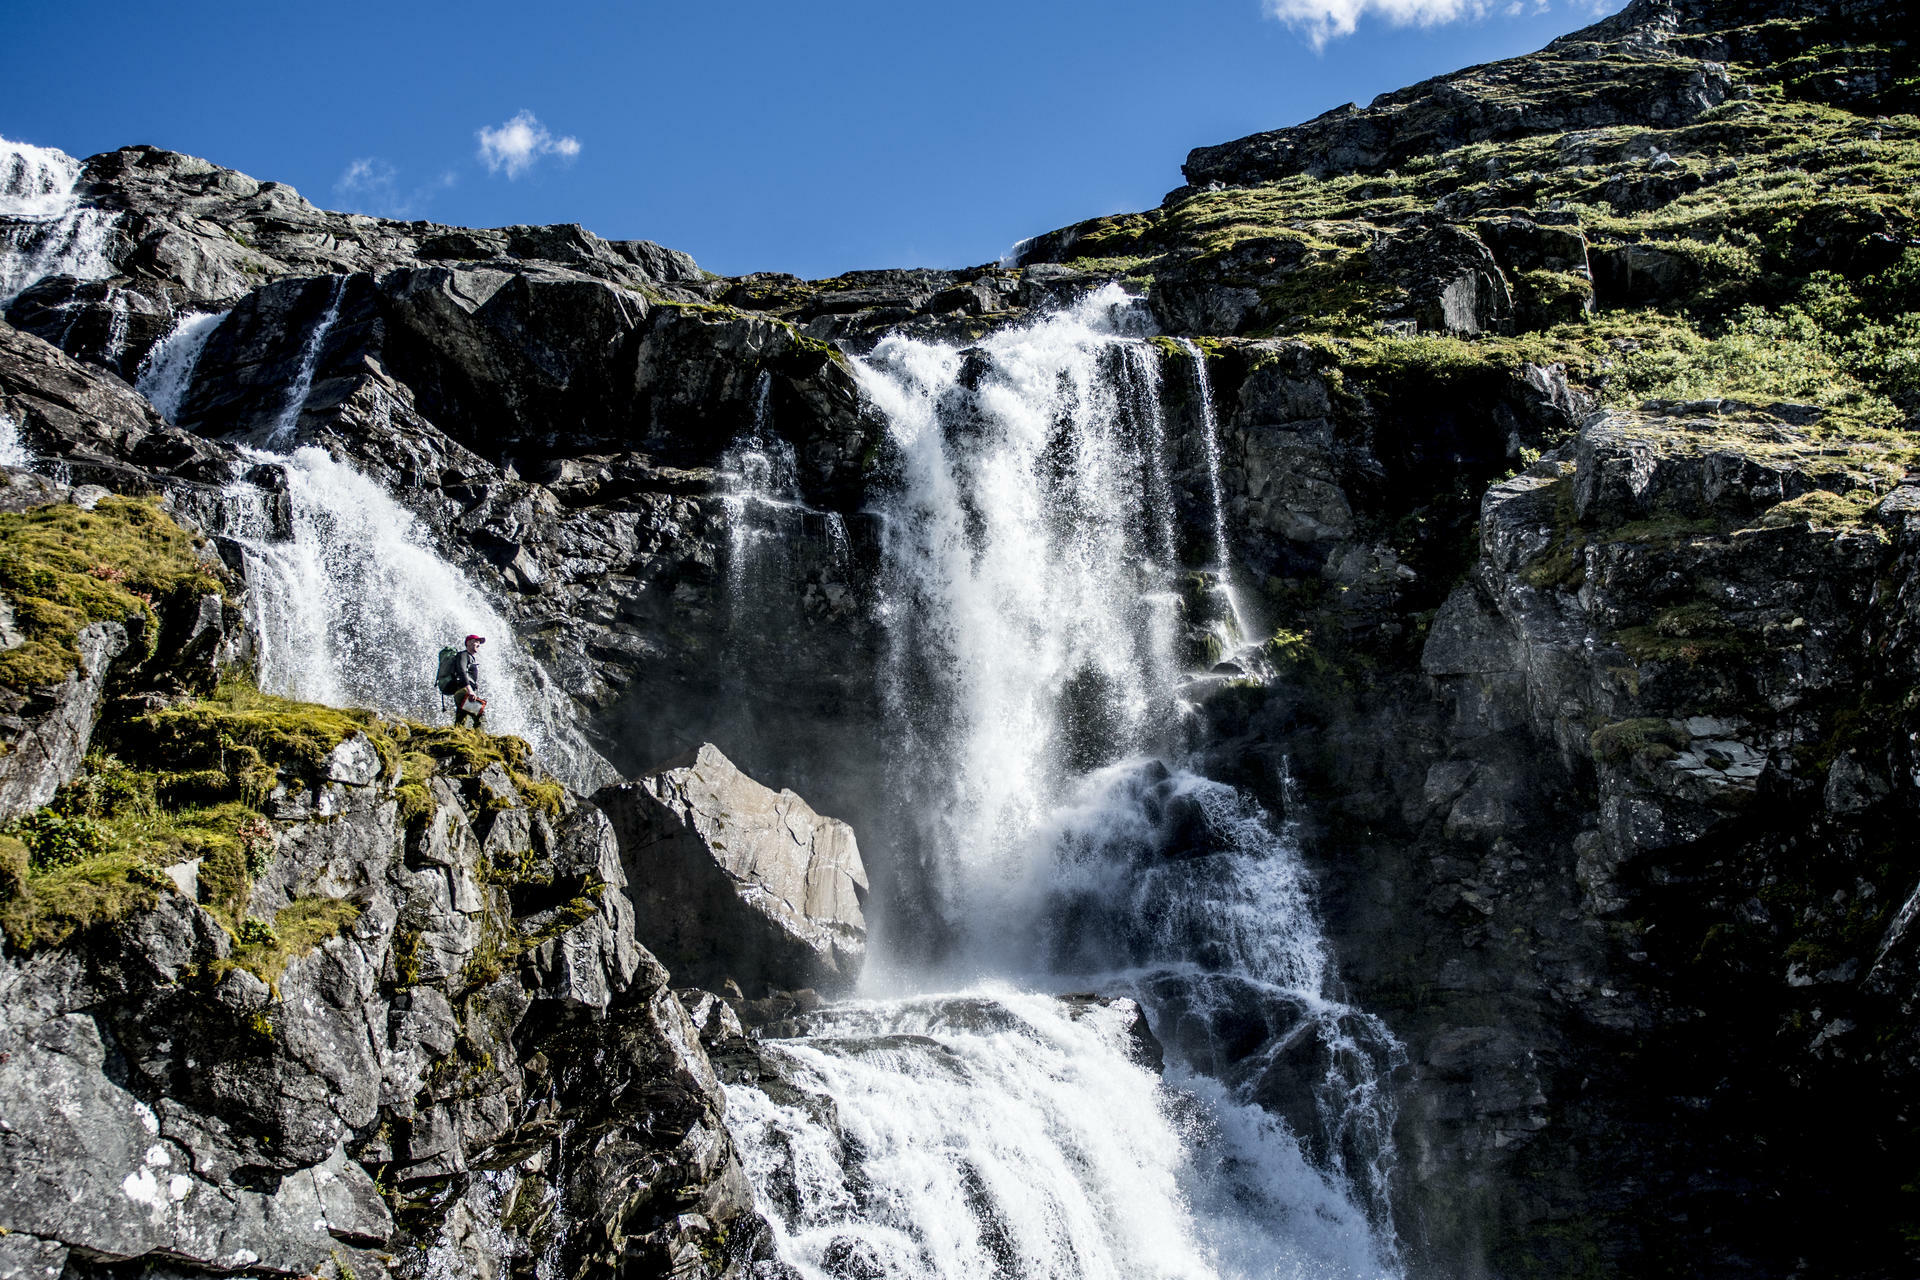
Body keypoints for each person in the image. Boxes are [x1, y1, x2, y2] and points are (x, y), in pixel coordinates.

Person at [448, 634, 487, 727]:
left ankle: (456, 735)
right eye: (476, 641)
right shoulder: (463, 655)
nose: (478, 644)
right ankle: (480, 736)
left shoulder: (470, 657)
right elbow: (462, 671)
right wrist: (470, 691)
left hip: (462, 692)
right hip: (464, 692)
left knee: (460, 722)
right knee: (480, 715)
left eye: (479, 642)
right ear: (468, 643)